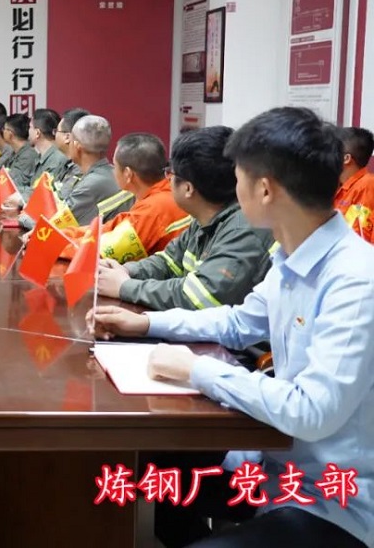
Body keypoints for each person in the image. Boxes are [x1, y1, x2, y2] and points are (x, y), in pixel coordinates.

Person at [90, 107, 374, 548]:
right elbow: (238, 321)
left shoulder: (354, 279)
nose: (232, 188)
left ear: (265, 189)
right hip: (272, 468)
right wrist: (144, 323)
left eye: (238, 176)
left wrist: (196, 370)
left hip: (331, 500)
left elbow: (312, 411)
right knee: (126, 478)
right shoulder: (292, 258)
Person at [97, 126, 274, 311]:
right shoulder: (204, 218)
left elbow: (201, 297)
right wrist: (125, 271)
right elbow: (168, 262)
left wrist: (125, 287)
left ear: (188, 188)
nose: (167, 180)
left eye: (170, 174)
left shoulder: (244, 228)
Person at [61, 133, 190, 262]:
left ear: (128, 174)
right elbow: (114, 227)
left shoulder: (153, 209)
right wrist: (62, 235)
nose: (113, 171)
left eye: (115, 165)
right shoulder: (163, 193)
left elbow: (103, 249)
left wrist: (57, 247)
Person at [0, 113, 37, 197]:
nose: (2, 131)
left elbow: (14, 182)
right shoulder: (15, 152)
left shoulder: (28, 155)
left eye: (4, 129)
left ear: (10, 134)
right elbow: (4, 176)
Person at [333, 126, 374, 242]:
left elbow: (360, 236)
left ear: (346, 158)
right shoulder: (339, 186)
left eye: (331, 152)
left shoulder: (367, 186)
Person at [51, 107, 89, 193]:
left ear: (67, 137)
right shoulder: (64, 163)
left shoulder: (81, 168)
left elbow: (62, 198)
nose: (54, 135)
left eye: (56, 131)